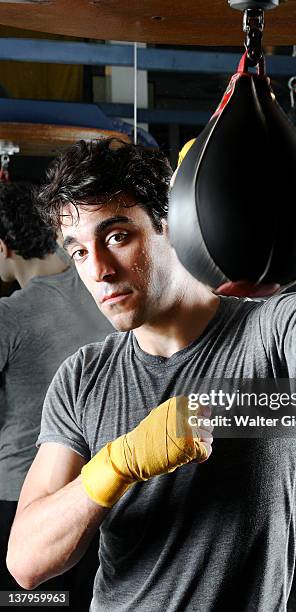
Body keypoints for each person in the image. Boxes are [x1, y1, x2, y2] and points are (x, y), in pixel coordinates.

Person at [6, 138, 296, 611]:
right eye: (79, 252)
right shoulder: (83, 377)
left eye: (118, 236)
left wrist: (294, 199)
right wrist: (115, 466)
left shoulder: (272, 334)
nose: (99, 270)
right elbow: (26, 562)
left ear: (172, 226)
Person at [0, 182, 113, 595]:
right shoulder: (103, 284)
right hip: (95, 492)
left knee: (26, 601)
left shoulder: (10, 316)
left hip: (20, 499)